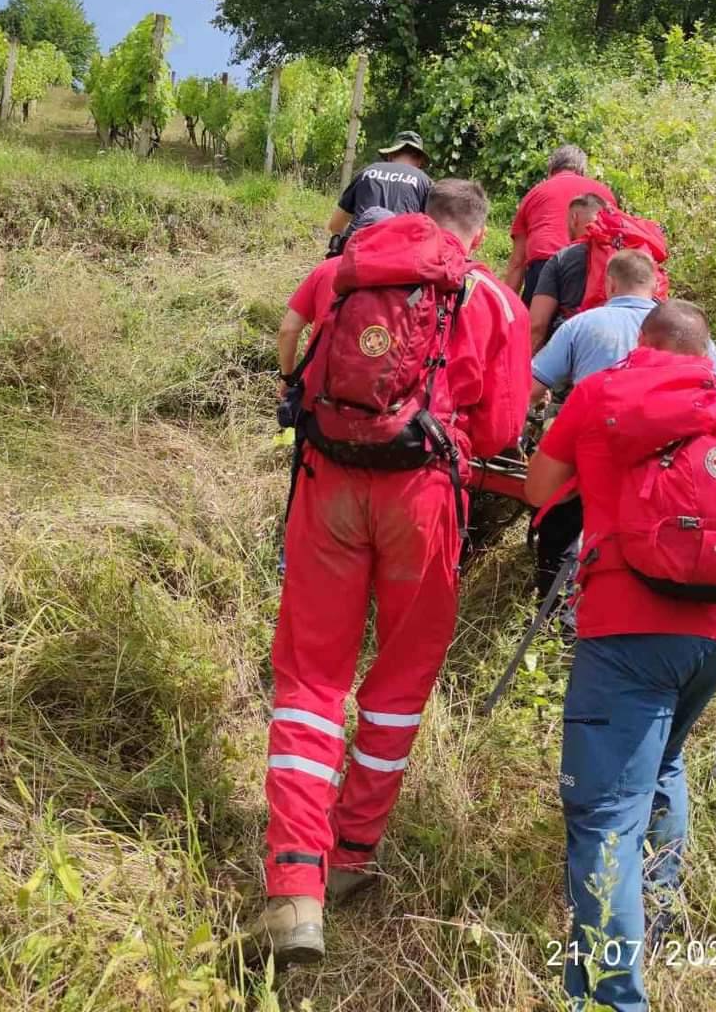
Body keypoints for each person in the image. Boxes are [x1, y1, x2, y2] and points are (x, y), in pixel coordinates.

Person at [252, 180, 530, 969]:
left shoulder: (349, 267)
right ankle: (351, 855)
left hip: (328, 485)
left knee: (309, 678)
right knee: (400, 681)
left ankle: (295, 886)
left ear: (416, 216)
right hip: (425, 499)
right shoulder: (492, 299)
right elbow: (505, 427)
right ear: (475, 234)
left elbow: (301, 368)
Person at [526, 300, 716, 1012]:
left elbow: (539, 487)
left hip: (629, 630)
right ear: (704, 352)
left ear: (642, 341)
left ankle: (608, 997)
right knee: (664, 764)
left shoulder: (605, 393)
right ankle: (655, 916)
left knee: (604, 815)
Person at [531, 249, 716, 439]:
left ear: (610, 285)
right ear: (654, 287)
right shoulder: (684, 328)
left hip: (596, 460)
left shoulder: (579, 325)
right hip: (667, 464)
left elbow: (531, 389)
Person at [277, 208, 396, 397]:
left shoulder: (327, 269)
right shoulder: (404, 282)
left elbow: (288, 330)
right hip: (375, 397)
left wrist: (287, 377)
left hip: (317, 389)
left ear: (354, 235)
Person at [505, 145, 617, 304]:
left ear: (551, 170)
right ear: (582, 170)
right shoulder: (604, 193)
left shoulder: (535, 193)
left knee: (535, 326)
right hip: (589, 268)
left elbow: (518, 262)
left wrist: (505, 308)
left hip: (543, 265)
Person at [327, 130, 432, 251]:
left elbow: (335, 225)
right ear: (419, 161)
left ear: (390, 155)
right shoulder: (425, 182)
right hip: (399, 256)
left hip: (357, 252)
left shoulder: (368, 172)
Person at [528, 193, 609, 350]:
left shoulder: (562, 258)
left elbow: (537, 325)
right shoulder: (626, 254)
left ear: (574, 218)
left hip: (571, 349)